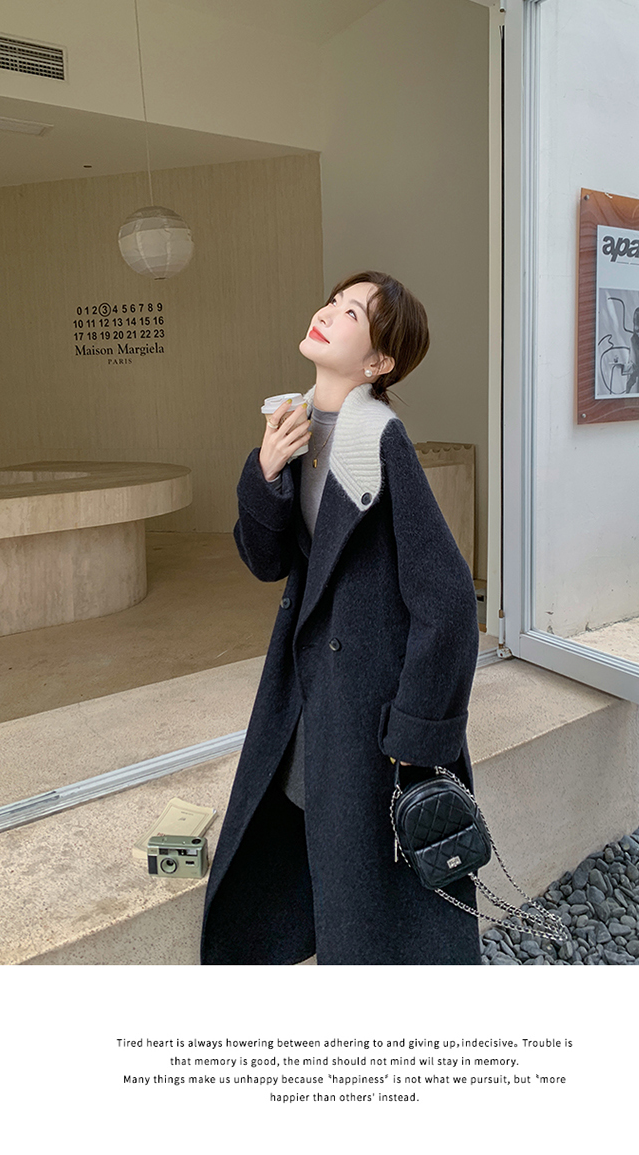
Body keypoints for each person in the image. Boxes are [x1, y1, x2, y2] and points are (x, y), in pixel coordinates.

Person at [200, 271, 480, 964]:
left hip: (368, 702)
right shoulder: (292, 425)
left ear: (378, 361)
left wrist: (418, 733)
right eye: (333, 300)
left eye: (352, 312)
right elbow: (266, 561)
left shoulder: (379, 440)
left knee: (362, 870)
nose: (328, 312)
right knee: (308, 825)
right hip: (308, 690)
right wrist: (266, 470)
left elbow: (447, 598)